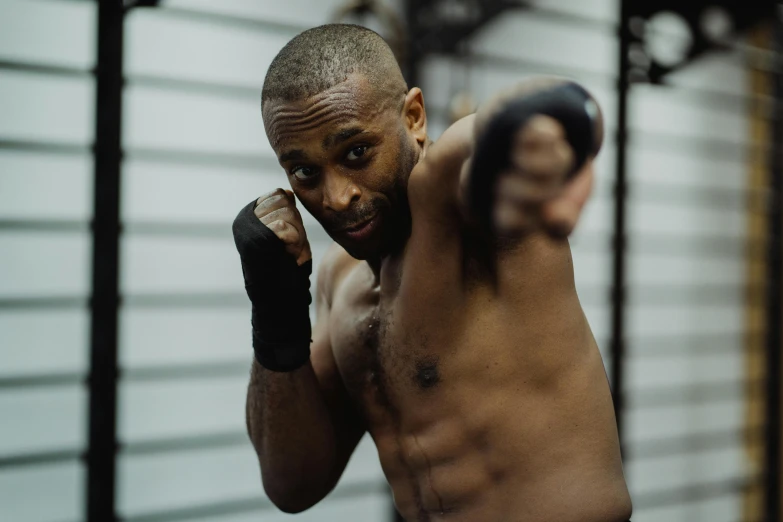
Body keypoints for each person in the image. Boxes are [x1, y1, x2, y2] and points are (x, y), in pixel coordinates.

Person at [232, 23, 632, 522]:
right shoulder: (340, 287)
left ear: (414, 117)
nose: (337, 197)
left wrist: (546, 123)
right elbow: (292, 485)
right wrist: (275, 312)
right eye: (306, 173)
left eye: (356, 153)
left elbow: (486, 139)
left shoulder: (466, 219)